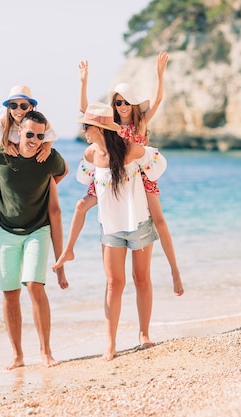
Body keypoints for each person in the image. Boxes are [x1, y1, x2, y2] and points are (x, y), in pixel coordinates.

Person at [53, 52, 184, 297]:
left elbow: (157, 101)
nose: (122, 107)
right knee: (81, 205)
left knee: (160, 221)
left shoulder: (140, 123)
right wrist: (83, 82)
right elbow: (86, 111)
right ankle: (68, 250)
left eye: (125, 102)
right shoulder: (109, 124)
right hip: (109, 178)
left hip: (139, 178)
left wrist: (160, 75)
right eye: (117, 103)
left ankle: (174, 270)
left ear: (133, 104)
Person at [0, 110, 69, 370]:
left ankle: (46, 352)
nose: (34, 139)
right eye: (29, 134)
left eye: (39, 135)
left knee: (35, 285)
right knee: (10, 293)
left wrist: (61, 262)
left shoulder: (50, 158)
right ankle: (17, 356)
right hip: (7, 230)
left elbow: (62, 173)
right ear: (19, 132)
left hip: (38, 229)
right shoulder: (1, 155)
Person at [74, 102, 168, 360]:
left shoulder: (130, 149)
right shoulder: (92, 153)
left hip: (138, 222)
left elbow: (157, 162)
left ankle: (144, 334)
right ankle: (110, 345)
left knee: (141, 279)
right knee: (114, 284)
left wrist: (147, 181)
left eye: (87, 127)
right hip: (111, 227)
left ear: (100, 129)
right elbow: (83, 178)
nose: (84, 131)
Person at [0, 85, 67, 287]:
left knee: (55, 212)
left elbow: (49, 139)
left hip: (33, 171)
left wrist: (45, 149)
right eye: (13, 104)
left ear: (31, 107)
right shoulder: (3, 121)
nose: (18, 109)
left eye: (23, 105)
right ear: (8, 106)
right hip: (8, 167)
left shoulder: (38, 122)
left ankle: (60, 267)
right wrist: (6, 145)